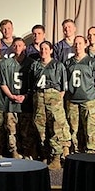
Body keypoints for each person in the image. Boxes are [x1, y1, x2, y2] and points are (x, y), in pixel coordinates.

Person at [33, 41, 69, 169]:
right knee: (40, 127)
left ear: (51, 50)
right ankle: (45, 154)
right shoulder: (35, 65)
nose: (43, 51)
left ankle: (57, 157)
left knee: (55, 127)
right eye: (41, 48)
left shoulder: (58, 65)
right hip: (39, 98)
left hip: (53, 98)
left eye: (46, 48)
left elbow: (63, 88)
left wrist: (56, 100)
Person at [64, 36, 95, 153]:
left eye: (80, 43)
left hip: (89, 99)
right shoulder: (68, 63)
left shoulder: (92, 62)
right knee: (73, 128)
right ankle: (75, 150)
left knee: (90, 128)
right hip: (72, 100)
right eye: (75, 44)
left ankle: (91, 151)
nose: (77, 46)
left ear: (85, 44)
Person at [0, 37, 34, 159]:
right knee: (11, 129)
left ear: (24, 47)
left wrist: (25, 96)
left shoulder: (31, 63)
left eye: (20, 45)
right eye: (15, 45)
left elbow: (34, 84)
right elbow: (2, 83)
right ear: (12, 47)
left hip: (26, 102)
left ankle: (26, 152)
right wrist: (11, 96)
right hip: (11, 101)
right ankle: (14, 151)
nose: (18, 48)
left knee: (26, 130)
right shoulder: (6, 63)